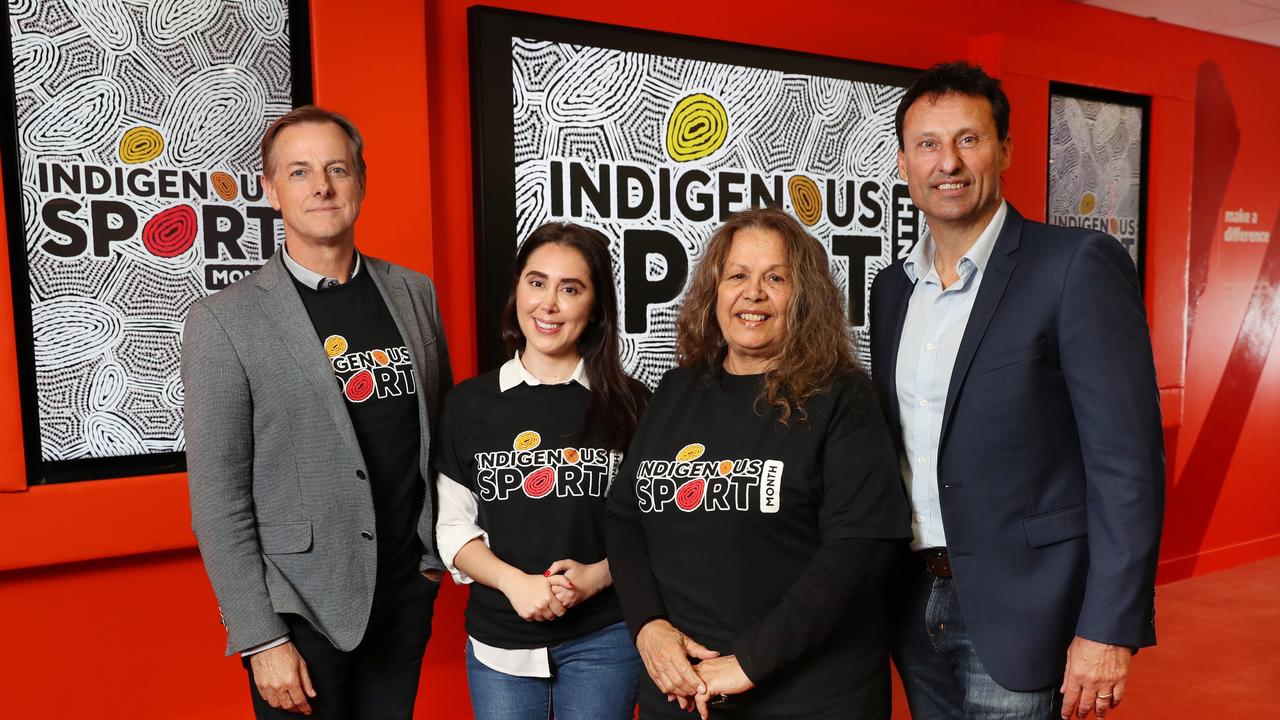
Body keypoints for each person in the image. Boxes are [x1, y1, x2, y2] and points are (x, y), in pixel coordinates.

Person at [869, 62, 1164, 720]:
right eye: (927, 144)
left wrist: (1109, 628)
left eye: (969, 140)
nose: (947, 161)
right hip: (914, 602)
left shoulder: (1074, 267)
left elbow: (1126, 464)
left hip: (1029, 608)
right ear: (902, 163)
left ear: (1004, 150)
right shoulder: (891, 291)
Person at [183, 106, 451, 718]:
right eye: (299, 172)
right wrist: (261, 637)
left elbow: (441, 433)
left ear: (360, 180)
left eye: (337, 168)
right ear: (271, 190)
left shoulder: (414, 291)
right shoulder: (226, 321)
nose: (322, 186)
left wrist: (431, 564)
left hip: (403, 590)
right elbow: (217, 499)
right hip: (299, 608)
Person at [606, 207, 912, 719]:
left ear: (804, 297)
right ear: (714, 292)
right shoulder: (679, 389)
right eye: (737, 276)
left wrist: (747, 663)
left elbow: (861, 548)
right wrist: (649, 628)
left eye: (776, 278)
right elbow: (624, 518)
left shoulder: (842, 396)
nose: (754, 293)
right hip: (683, 693)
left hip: (808, 698)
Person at [434, 223, 648, 719]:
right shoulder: (469, 404)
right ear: (517, 291)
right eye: (536, 282)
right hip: (500, 644)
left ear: (595, 307)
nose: (548, 304)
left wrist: (596, 577)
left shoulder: (632, 405)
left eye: (570, 289)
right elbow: (452, 529)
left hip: (606, 639)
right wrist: (516, 584)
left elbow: (655, 529)